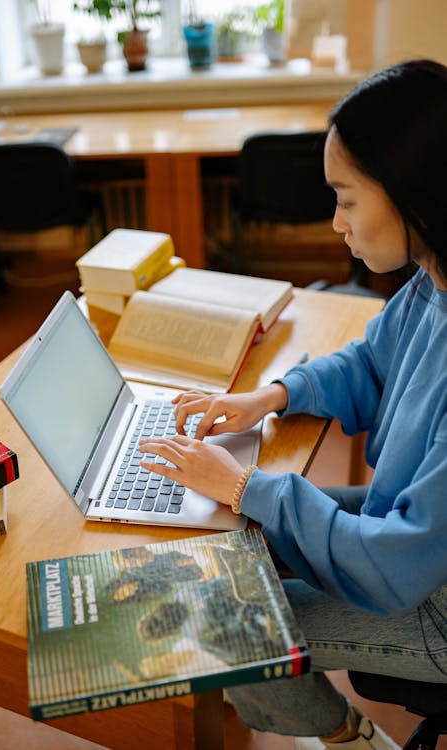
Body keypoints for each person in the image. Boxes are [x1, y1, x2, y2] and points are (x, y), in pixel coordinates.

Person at [138, 58, 447, 749]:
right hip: (412, 538)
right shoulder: (434, 282)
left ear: (414, 192)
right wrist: (272, 396)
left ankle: (346, 737)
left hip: (434, 604)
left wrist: (249, 485)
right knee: (226, 546)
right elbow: (371, 363)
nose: (336, 221)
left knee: (227, 624)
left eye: (346, 197)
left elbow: (395, 567)